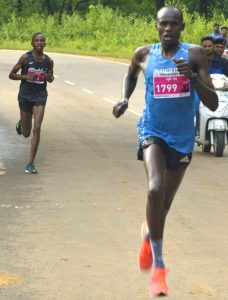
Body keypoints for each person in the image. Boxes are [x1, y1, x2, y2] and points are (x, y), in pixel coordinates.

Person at [113, 6, 218, 298]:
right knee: (154, 190)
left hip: (183, 139)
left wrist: (193, 79)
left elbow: (211, 104)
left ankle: (148, 235)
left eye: (174, 24)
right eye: (163, 24)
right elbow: (131, 74)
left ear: (182, 27)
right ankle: (159, 268)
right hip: (153, 132)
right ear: (156, 26)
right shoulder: (144, 54)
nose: (168, 29)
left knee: (164, 206)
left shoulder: (195, 55)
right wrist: (123, 99)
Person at [9, 32, 54, 174]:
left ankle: (30, 163)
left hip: (40, 96)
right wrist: (27, 76)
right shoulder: (25, 58)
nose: (39, 43)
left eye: (42, 41)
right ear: (32, 43)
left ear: (45, 44)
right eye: (37, 40)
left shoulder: (48, 61)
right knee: (26, 133)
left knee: (37, 128)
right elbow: (11, 74)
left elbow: (51, 78)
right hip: (25, 96)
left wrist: (49, 77)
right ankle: (22, 122)